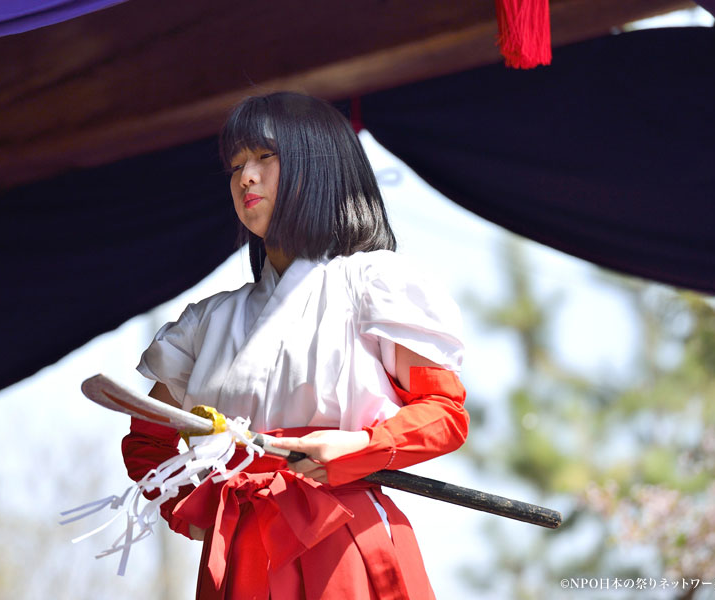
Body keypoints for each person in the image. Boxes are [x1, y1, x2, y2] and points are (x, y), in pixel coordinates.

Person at [121, 92, 469, 600]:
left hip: (343, 539)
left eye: (265, 157)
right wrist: (192, 508)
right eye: (237, 164)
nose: (245, 177)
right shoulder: (206, 321)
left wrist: (361, 448)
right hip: (240, 549)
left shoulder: (372, 283)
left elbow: (444, 413)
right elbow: (146, 441)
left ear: (320, 164)